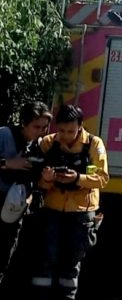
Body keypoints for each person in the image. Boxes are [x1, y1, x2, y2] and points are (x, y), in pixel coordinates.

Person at [31, 105, 108, 300]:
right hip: (53, 208)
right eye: (62, 130)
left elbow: (102, 178)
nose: (65, 136)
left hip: (82, 211)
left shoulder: (93, 144)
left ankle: (67, 298)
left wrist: (77, 178)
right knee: (45, 258)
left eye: (71, 131)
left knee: (72, 262)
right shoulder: (48, 143)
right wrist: (47, 179)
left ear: (81, 126)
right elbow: (36, 181)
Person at [0, 101, 52, 287]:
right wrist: (7, 163)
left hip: (15, 209)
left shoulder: (39, 145)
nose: (41, 132)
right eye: (36, 126)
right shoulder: (5, 135)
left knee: (4, 259)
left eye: (45, 127)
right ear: (24, 122)